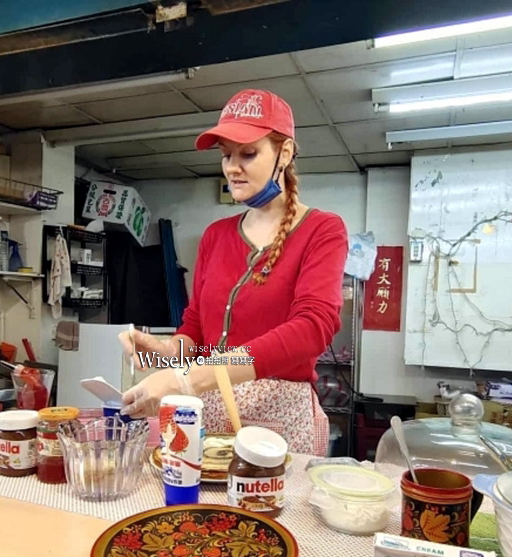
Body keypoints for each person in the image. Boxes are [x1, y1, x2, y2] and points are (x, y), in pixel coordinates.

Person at [120, 89, 348, 456]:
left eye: (248, 153)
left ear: (284, 153)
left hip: (279, 418)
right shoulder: (216, 235)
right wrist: (166, 353)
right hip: (208, 410)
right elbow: (196, 325)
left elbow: (312, 328)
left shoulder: (322, 230)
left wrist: (189, 377)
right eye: (226, 155)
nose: (231, 167)